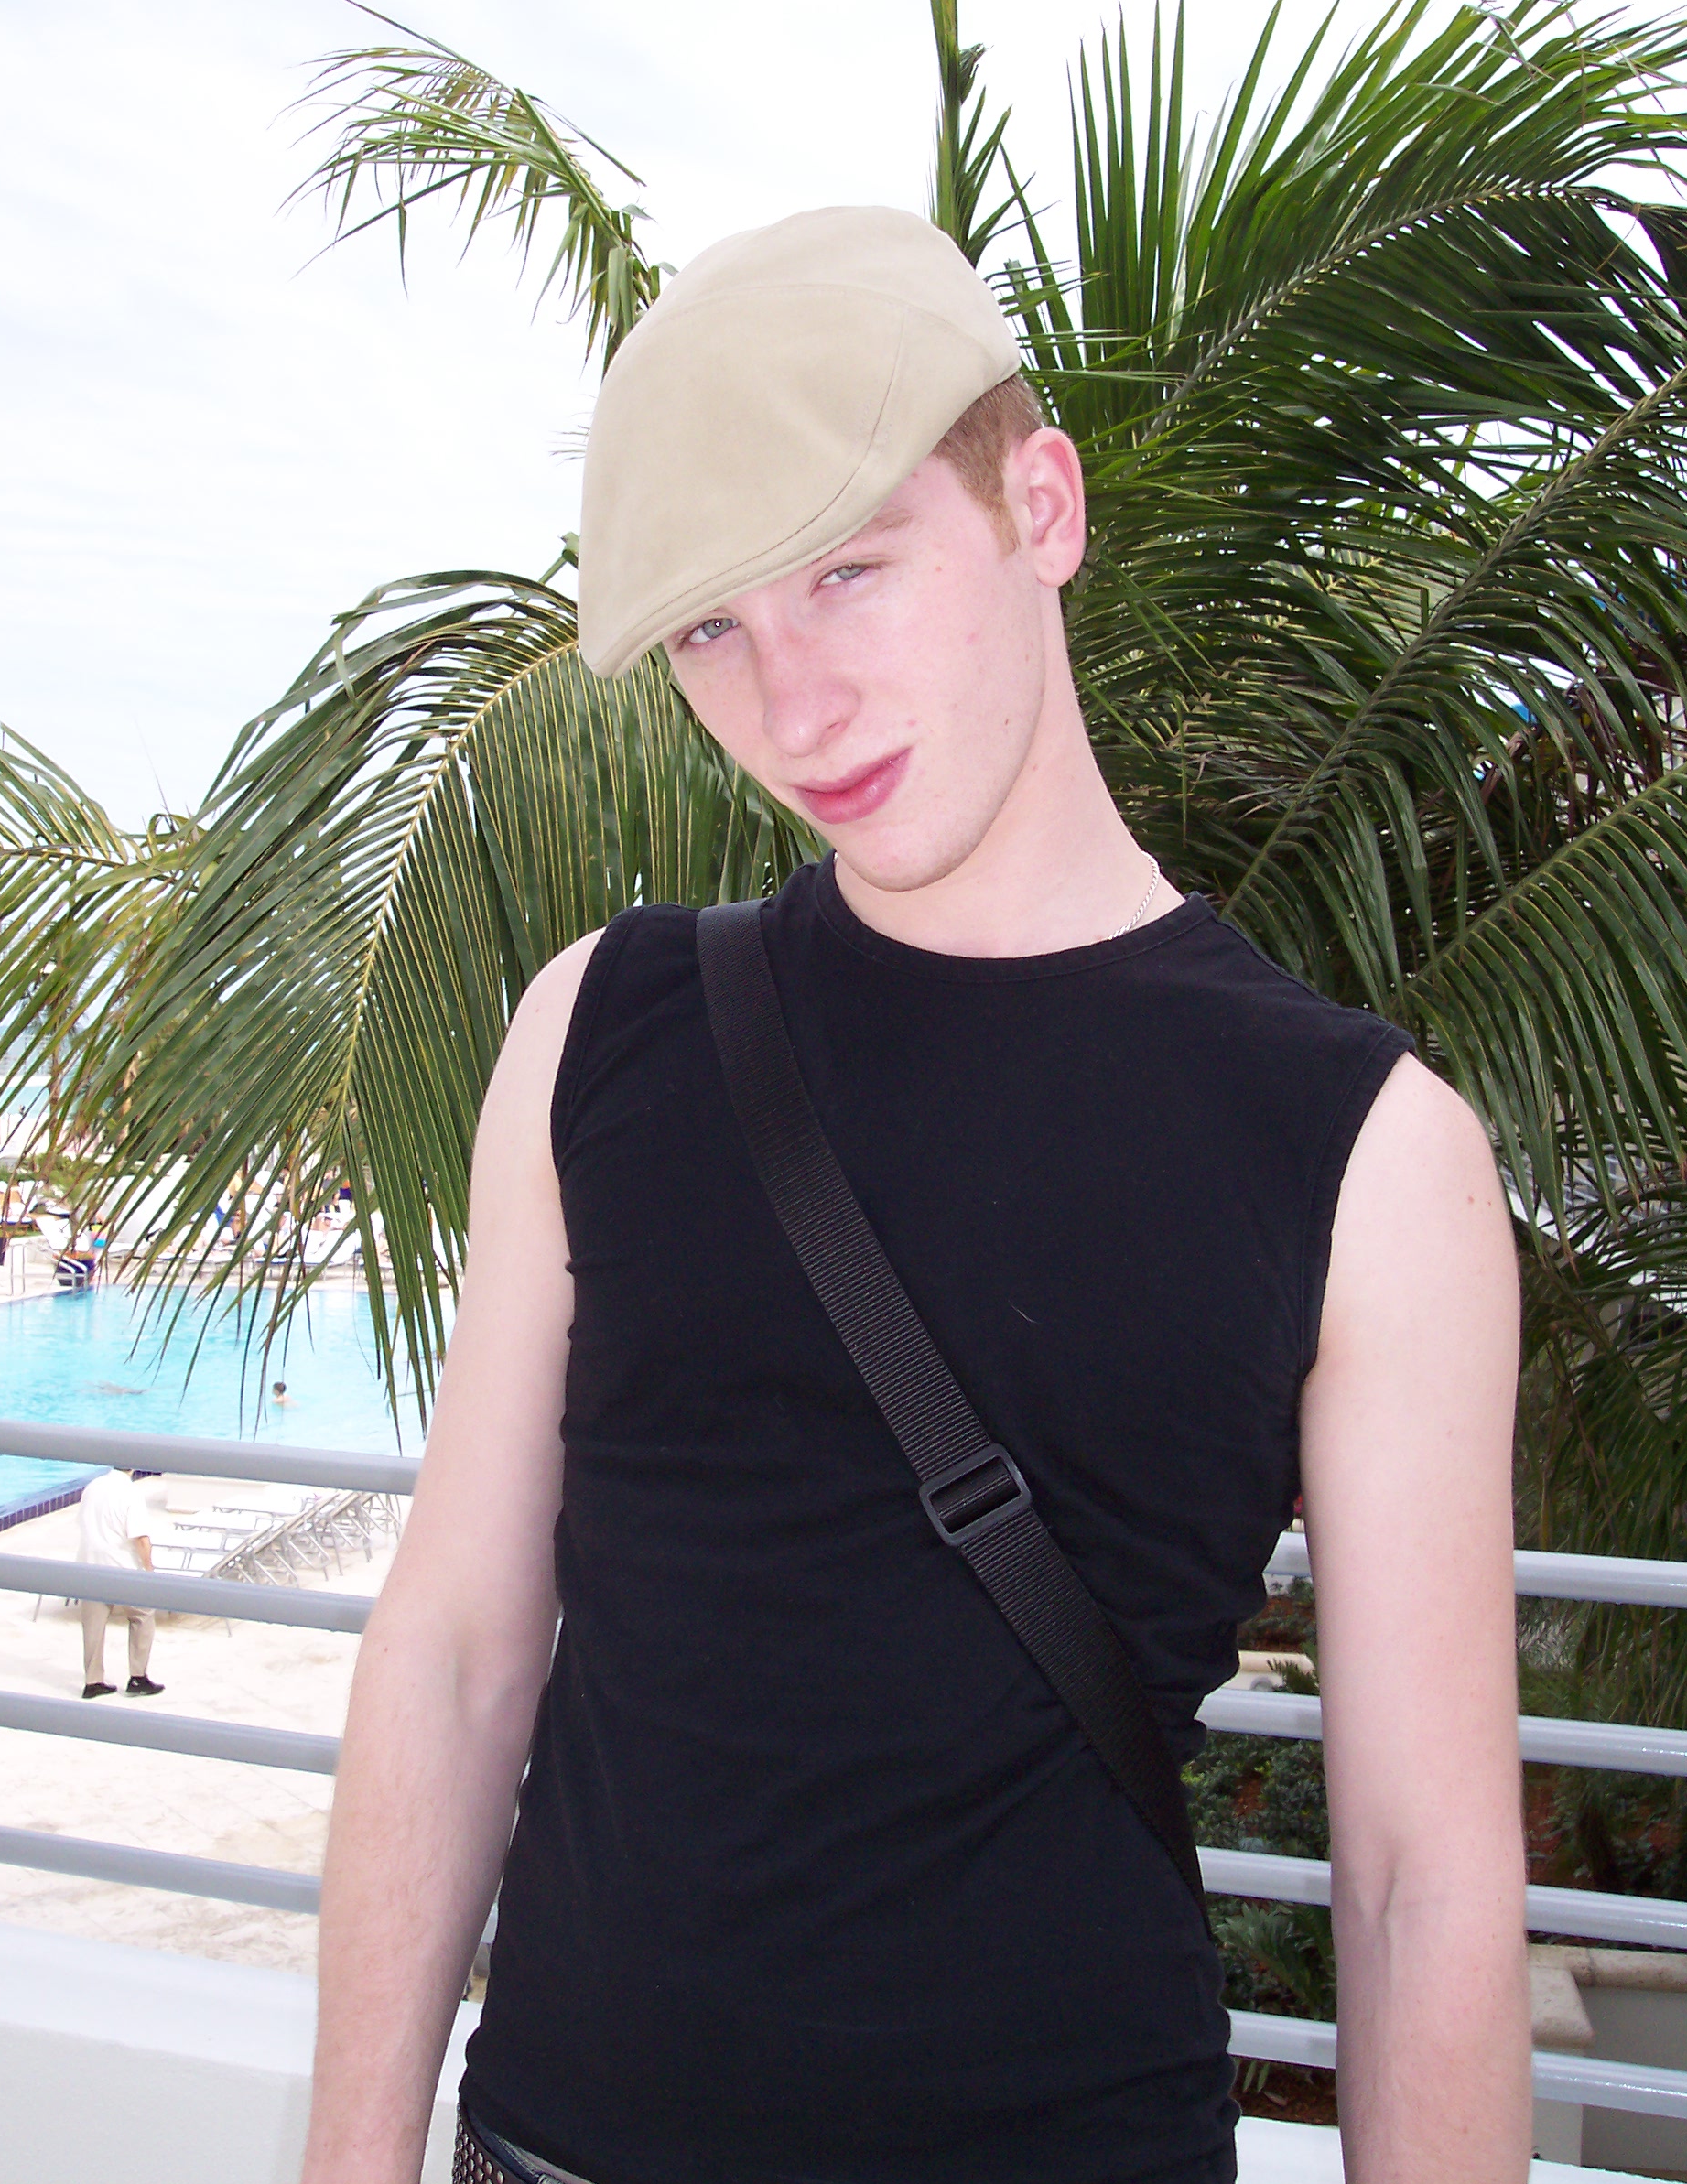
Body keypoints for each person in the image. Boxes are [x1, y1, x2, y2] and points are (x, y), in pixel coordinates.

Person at [302, 210, 1527, 2184]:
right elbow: (452, 1655)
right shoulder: (597, 1029)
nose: (791, 707)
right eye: (711, 631)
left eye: (848, 573)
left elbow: (1420, 1881)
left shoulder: (1372, 1154)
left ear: (1041, 507)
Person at [76, 1466, 165, 1699]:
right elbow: (140, 1538)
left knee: (94, 1626)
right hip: (121, 1569)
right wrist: (149, 1568)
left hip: (90, 1565)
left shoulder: (92, 1487)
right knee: (142, 1616)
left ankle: (92, 1681)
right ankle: (138, 1677)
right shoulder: (130, 1492)